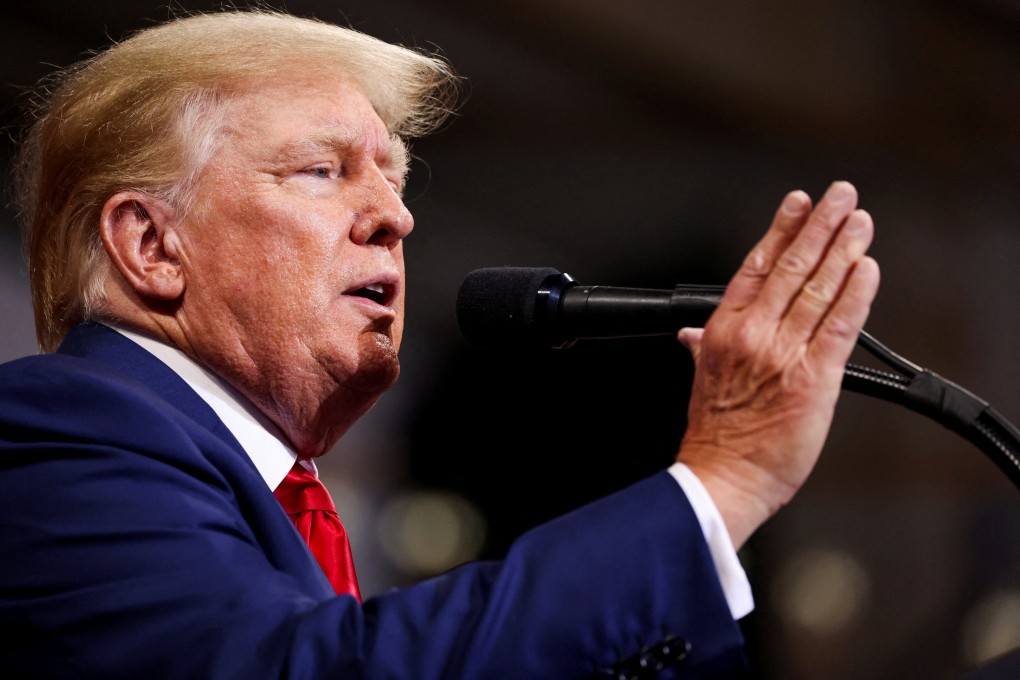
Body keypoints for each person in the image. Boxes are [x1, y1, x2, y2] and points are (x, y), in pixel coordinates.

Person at [0, 8, 879, 679]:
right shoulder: (52, 433)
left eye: (392, 175)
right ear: (153, 246)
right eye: (322, 171)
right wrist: (723, 483)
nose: (395, 215)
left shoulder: (265, 495)